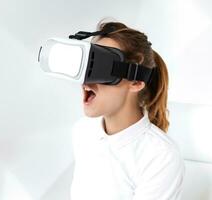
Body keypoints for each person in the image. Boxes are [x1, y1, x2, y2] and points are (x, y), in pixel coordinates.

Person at [70, 20, 185, 200]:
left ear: (136, 82)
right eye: (87, 65)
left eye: (100, 67)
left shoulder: (160, 156)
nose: (86, 81)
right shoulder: (83, 131)